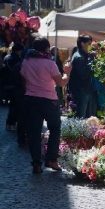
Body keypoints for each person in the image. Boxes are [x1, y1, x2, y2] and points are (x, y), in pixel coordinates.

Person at [20, 37, 71, 174]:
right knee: (55, 129)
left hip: (31, 99)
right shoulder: (50, 63)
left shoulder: (26, 61)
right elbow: (61, 83)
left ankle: (36, 163)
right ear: (47, 48)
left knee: (34, 132)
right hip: (49, 100)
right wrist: (67, 72)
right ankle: (51, 160)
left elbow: (23, 78)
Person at [69, 35, 96, 118]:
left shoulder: (84, 55)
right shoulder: (79, 57)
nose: (91, 46)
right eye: (89, 43)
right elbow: (84, 74)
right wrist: (92, 60)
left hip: (85, 89)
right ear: (82, 44)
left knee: (86, 117)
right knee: (81, 116)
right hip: (80, 90)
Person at [4, 43, 24, 132]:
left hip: (7, 84)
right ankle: (11, 124)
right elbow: (17, 73)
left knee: (12, 105)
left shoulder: (7, 57)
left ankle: (9, 123)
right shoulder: (15, 59)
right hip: (14, 85)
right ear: (18, 51)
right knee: (15, 106)